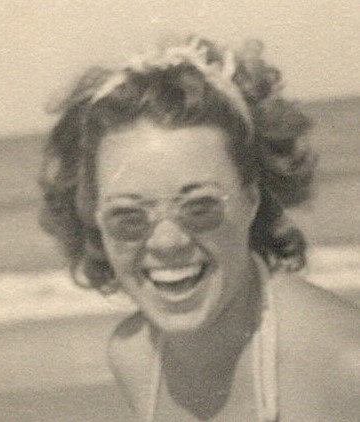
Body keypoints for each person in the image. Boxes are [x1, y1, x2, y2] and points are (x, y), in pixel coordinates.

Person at [39, 36, 360, 421]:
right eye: (128, 216)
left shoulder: (345, 362)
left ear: (251, 200)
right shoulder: (135, 357)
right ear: (95, 220)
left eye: (200, 207)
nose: (167, 241)